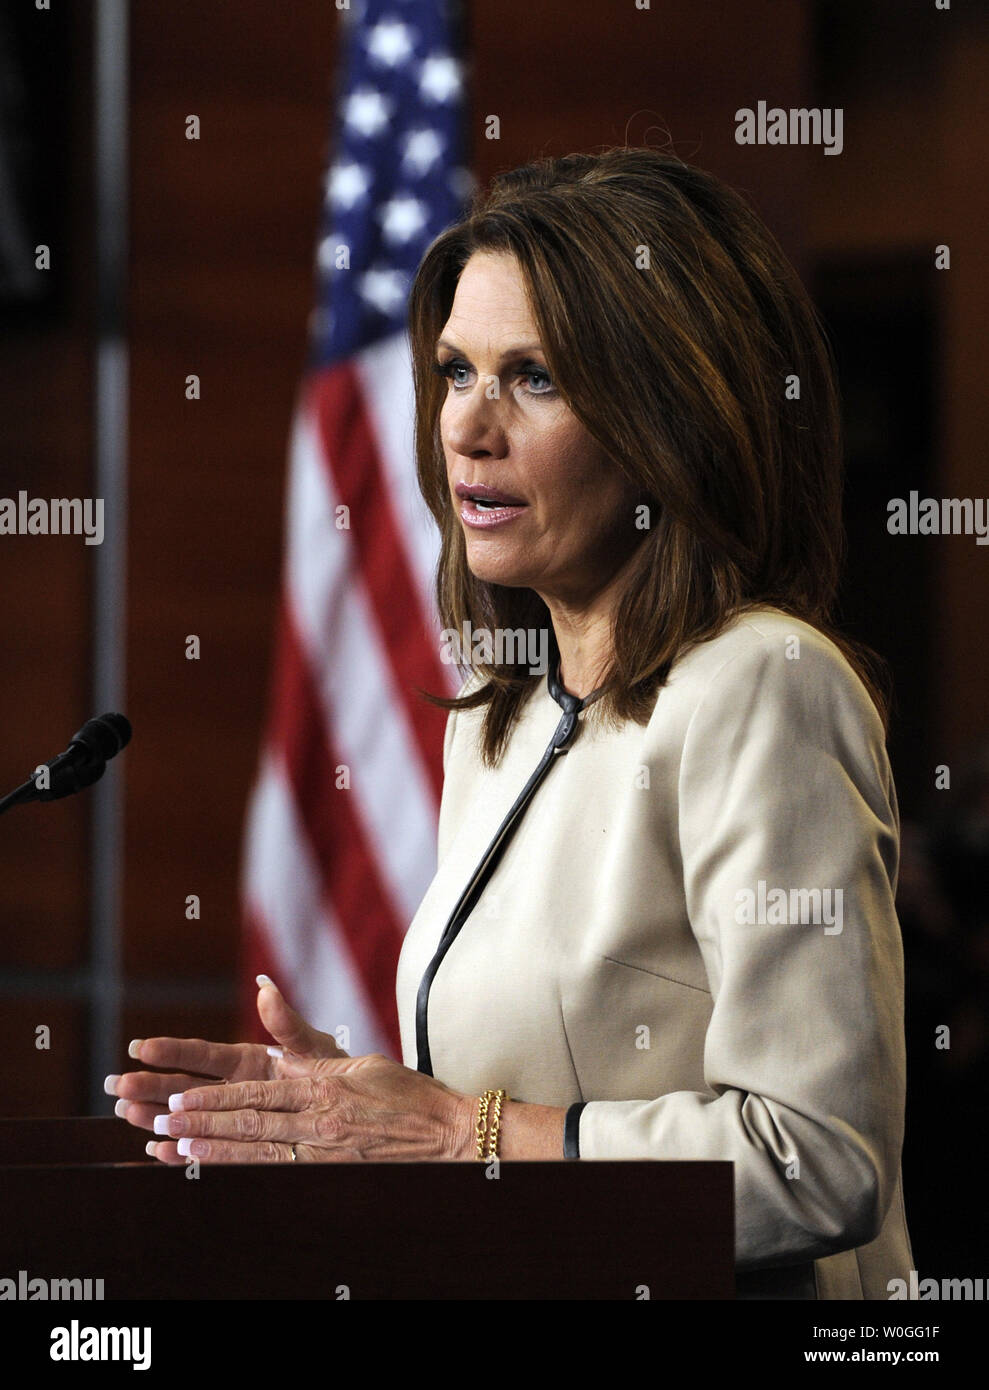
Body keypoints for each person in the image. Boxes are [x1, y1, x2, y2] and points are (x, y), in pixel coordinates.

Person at [108, 148, 914, 1299]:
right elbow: (510, 1116)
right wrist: (355, 1107)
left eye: (532, 377)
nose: (466, 428)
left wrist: (454, 1134)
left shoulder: (763, 683)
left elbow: (816, 1161)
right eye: (453, 370)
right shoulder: (497, 722)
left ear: (666, 415)